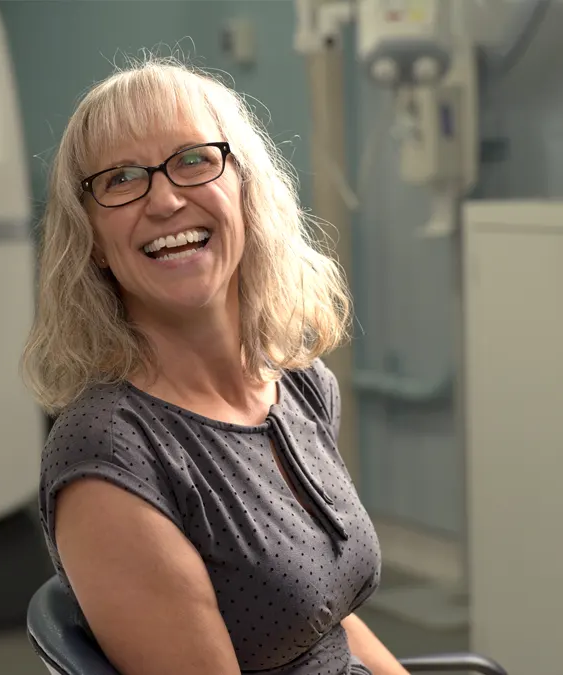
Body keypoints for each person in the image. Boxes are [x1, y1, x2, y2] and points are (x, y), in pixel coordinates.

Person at [20, 54, 406, 675]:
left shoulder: (300, 385)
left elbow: (319, 617)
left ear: (246, 190)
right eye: (121, 179)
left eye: (195, 160)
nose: (166, 200)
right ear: (89, 239)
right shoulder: (111, 455)